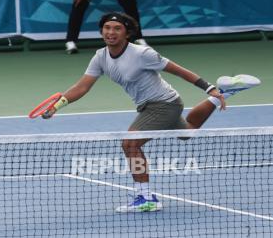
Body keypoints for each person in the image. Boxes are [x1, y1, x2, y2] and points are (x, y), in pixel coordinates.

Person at [44, 11, 260, 212]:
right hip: (151, 105)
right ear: (101, 31)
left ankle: (146, 198)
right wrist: (57, 106)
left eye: (117, 28)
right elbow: (82, 87)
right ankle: (226, 92)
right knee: (188, 132)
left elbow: (179, 70)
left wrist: (207, 85)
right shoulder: (101, 57)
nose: (111, 32)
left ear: (127, 33)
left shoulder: (142, 53)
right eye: (107, 28)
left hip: (164, 104)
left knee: (130, 143)